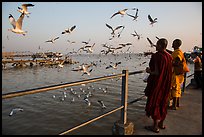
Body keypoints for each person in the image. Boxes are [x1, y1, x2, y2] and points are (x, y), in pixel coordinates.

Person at [144, 38, 173, 133]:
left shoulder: (157, 56)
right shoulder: (169, 56)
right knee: (163, 102)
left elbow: (156, 72)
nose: (155, 46)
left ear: (160, 45)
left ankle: (155, 127)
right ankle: (161, 124)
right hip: (166, 83)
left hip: (158, 83)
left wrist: (149, 71)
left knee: (155, 102)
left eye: (157, 44)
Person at [169, 39, 189, 110]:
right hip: (178, 74)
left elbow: (177, 62)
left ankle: (174, 105)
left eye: (173, 43)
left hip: (176, 74)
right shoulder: (177, 52)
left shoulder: (178, 52)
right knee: (177, 89)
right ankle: (176, 104)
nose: (172, 44)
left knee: (174, 89)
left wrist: (169, 63)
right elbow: (173, 53)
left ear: (177, 44)